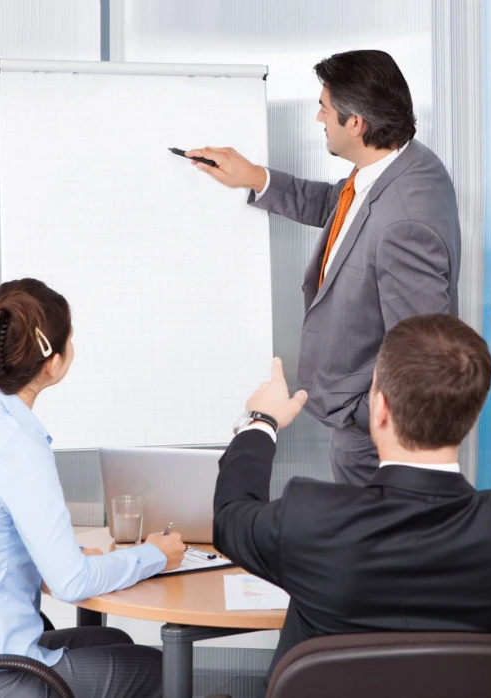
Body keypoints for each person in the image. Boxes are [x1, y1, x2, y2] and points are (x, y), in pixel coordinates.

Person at [214, 314, 491, 698]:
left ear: (380, 409)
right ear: (470, 417)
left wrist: (262, 422)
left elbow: (231, 516)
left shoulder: (309, 518)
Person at [0, 279, 185, 698]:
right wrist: (155, 556)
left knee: (114, 644)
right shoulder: (17, 444)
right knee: (160, 670)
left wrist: (62, 556)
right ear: (54, 362)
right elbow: (70, 584)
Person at [187, 49, 461, 486]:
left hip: (374, 441)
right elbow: (341, 208)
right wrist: (257, 177)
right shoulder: (401, 165)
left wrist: (359, 416)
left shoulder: (406, 219)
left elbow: (420, 353)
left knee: (369, 552)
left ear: (356, 124)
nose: (319, 118)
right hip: (361, 424)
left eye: (325, 108)